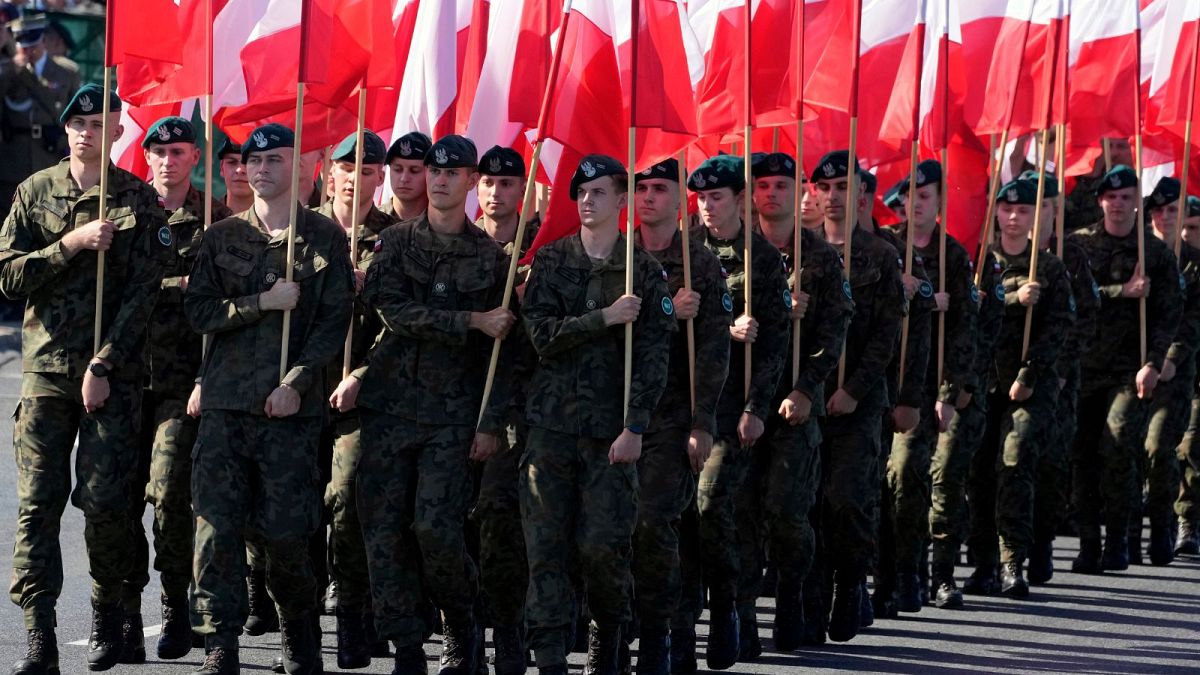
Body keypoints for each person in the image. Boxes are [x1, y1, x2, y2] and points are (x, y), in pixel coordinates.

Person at [0, 83, 170, 674]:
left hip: (111, 378)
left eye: (100, 123)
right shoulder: (35, 192)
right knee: (36, 508)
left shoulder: (138, 201)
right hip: (46, 372)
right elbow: (9, 277)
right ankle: (39, 636)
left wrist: (104, 363)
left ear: (119, 131)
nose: (87, 131)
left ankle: (108, 614)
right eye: (79, 121)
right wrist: (69, 245)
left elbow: (142, 297)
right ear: (67, 128)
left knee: (106, 504)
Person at [184, 122, 354, 674]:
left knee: (286, 534)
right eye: (252, 162)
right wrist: (261, 301)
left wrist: (296, 383)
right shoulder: (221, 237)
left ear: (298, 167)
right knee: (216, 529)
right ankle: (220, 643)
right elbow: (200, 312)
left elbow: (332, 324)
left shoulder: (324, 238)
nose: (260, 170)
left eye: (274, 161)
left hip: (289, 413)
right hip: (227, 408)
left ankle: (299, 634)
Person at [355, 135, 517, 675]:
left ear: (472, 181)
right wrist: (468, 321)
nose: (441, 180)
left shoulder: (493, 259)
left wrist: (491, 422)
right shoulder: (396, 244)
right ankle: (405, 645)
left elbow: (507, 354)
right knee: (383, 530)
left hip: (454, 417)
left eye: (454, 173)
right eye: (435, 172)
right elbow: (392, 310)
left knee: (436, 529)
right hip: (391, 409)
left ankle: (460, 625)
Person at [520, 154, 675, 675]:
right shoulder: (552, 262)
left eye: (600, 192)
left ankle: (609, 641)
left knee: (603, 548)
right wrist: (603, 318)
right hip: (551, 427)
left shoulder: (644, 271)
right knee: (545, 544)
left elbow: (654, 360)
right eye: (581, 192)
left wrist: (635, 427)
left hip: (610, 432)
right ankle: (547, 653)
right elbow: (539, 336)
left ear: (622, 200)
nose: (587, 200)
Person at [122, 116, 233, 664]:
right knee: (113, 502)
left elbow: (225, 306)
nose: (168, 159)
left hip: (180, 383)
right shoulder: (122, 213)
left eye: (180, 150)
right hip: (121, 381)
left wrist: (204, 378)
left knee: (168, 496)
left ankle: (173, 604)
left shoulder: (217, 221)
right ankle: (119, 611)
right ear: (146, 156)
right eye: (159, 150)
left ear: (196, 158)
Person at [685, 154, 789, 670]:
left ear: (740, 200)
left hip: (732, 410)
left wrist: (756, 408)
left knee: (715, 507)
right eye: (700, 198)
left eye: (716, 197)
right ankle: (698, 618)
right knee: (688, 517)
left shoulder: (762, 258)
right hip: (683, 408)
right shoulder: (682, 251)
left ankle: (730, 607)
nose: (706, 206)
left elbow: (774, 346)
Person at [748, 151, 853, 653]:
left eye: (782, 185)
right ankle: (740, 612)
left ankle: (793, 597)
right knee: (736, 513)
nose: (772, 193)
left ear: (800, 193)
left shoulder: (820, 257)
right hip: (741, 404)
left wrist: (807, 387)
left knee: (789, 514)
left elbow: (834, 330)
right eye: (763, 185)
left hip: (794, 406)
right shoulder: (734, 254)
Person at [632, 157, 732, 674]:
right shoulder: (619, 256)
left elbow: (715, 349)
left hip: (672, 414)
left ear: (678, 198)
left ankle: (667, 636)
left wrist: (702, 423)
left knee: (654, 520)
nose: (648, 197)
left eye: (659, 188)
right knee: (619, 529)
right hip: (617, 413)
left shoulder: (699, 262)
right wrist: (668, 310)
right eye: (641, 187)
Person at [1068, 164, 1182, 574]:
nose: (1118, 205)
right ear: (1100, 201)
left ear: (1137, 203)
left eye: (1127, 198)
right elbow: (1075, 299)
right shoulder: (1077, 246)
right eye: (1111, 198)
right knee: (1082, 454)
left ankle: (1118, 540)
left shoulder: (1154, 254)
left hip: (1127, 371)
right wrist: (1123, 291)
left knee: (1117, 446)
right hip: (1083, 367)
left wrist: (1153, 363)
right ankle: (1088, 542)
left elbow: (1170, 314)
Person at [810, 151, 903, 643]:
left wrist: (853, 390)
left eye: (842, 188)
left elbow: (886, 336)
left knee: (848, 498)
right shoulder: (803, 254)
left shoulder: (880, 256)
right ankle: (813, 593)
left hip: (858, 402)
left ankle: (851, 585)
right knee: (810, 503)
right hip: (807, 399)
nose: (832, 197)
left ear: (862, 196)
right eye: (824, 189)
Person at [313, 129, 397, 668]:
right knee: (293, 512)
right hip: (298, 387)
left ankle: (353, 615)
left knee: (346, 501)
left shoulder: (397, 238)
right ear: (329, 173)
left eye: (368, 171)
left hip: (362, 393)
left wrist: (362, 372)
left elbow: (401, 323)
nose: (355, 179)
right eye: (347, 169)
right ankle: (298, 630)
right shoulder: (303, 232)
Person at [967, 177, 1072, 598]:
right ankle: (983, 564)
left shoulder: (1047, 267)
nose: (1013, 217)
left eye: (1024, 211)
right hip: (984, 381)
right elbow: (971, 311)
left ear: (1037, 216)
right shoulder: (979, 262)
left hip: (1029, 384)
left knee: (1014, 462)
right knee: (978, 471)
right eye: (1007, 209)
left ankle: (1013, 560)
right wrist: (1013, 297)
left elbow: (1059, 328)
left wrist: (1028, 375)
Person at [882, 160, 977, 612]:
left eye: (925, 197)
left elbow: (965, 331)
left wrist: (949, 394)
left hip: (933, 388)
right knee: (899, 481)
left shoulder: (954, 256)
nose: (915, 205)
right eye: (909, 196)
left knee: (937, 480)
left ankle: (940, 575)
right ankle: (904, 573)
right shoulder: (888, 248)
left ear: (939, 202)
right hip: (891, 384)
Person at [471, 144, 539, 675]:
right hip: (454, 401)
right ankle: (461, 627)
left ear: (524, 190)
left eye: (508, 183)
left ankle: (508, 631)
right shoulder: (459, 243)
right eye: (488, 183)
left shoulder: (544, 247)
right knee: (449, 522)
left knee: (501, 520)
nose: (497, 192)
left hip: (519, 407)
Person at [1021, 170, 1099, 585]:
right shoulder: (1004, 253)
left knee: (1051, 464)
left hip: (1057, 381)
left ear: (1056, 209)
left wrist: (1064, 369)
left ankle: (1040, 546)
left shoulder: (1070, 254)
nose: (1037, 214)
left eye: (1045, 206)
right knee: (1014, 464)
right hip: (1013, 376)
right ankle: (1006, 551)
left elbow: (1085, 317)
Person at [1141, 178, 1200, 566]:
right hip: (1136, 368)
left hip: (1182, 372)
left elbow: (1192, 319)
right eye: (1158, 210)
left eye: (1173, 209)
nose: (1165, 216)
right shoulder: (1138, 259)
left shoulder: (1194, 263)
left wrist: (1172, 358)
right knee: (1139, 449)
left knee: (1181, 447)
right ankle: (1127, 528)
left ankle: (1184, 521)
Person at [0, 14, 80, 221]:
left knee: (46, 213)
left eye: (33, 45)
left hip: (49, 152)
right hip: (13, 155)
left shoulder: (66, 71)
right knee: (8, 215)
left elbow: (75, 113)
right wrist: (12, 71)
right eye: (24, 46)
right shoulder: (7, 70)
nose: (29, 51)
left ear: (43, 41)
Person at [1172, 195, 1200, 555]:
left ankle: (1188, 520)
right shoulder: (1170, 264)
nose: (1184, 232)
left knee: (1193, 445)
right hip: (1178, 369)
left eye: (1193, 228)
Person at [384, 131, 432, 220]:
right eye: (398, 170)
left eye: (414, 171)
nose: (404, 179)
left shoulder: (446, 227)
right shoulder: (364, 226)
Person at [217, 136, 253, 213]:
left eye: (248, 162)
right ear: (222, 168)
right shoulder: (205, 219)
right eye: (232, 162)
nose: (240, 170)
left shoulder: (280, 220)